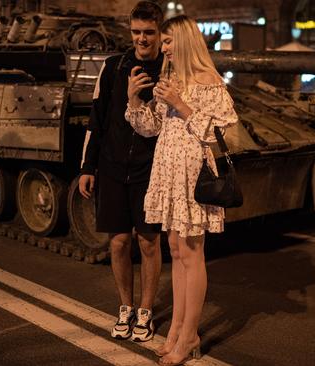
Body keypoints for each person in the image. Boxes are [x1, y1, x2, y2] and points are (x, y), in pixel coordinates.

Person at [125, 15, 238, 365]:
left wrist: (181, 103)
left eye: (170, 40)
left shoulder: (210, 82)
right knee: (175, 249)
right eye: (165, 41)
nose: (164, 46)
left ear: (186, 42)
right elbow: (151, 127)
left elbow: (223, 133)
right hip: (168, 173)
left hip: (193, 177)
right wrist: (133, 101)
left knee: (191, 253)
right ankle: (176, 329)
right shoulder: (170, 79)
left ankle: (189, 335)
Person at [78, 1, 164, 342]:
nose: (142, 39)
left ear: (159, 32)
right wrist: (87, 166)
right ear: (130, 31)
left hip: (149, 170)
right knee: (117, 243)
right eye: (136, 32)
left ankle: (145, 312)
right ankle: (125, 308)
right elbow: (96, 119)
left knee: (148, 242)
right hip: (112, 166)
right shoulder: (113, 67)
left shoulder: (168, 72)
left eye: (149, 32)